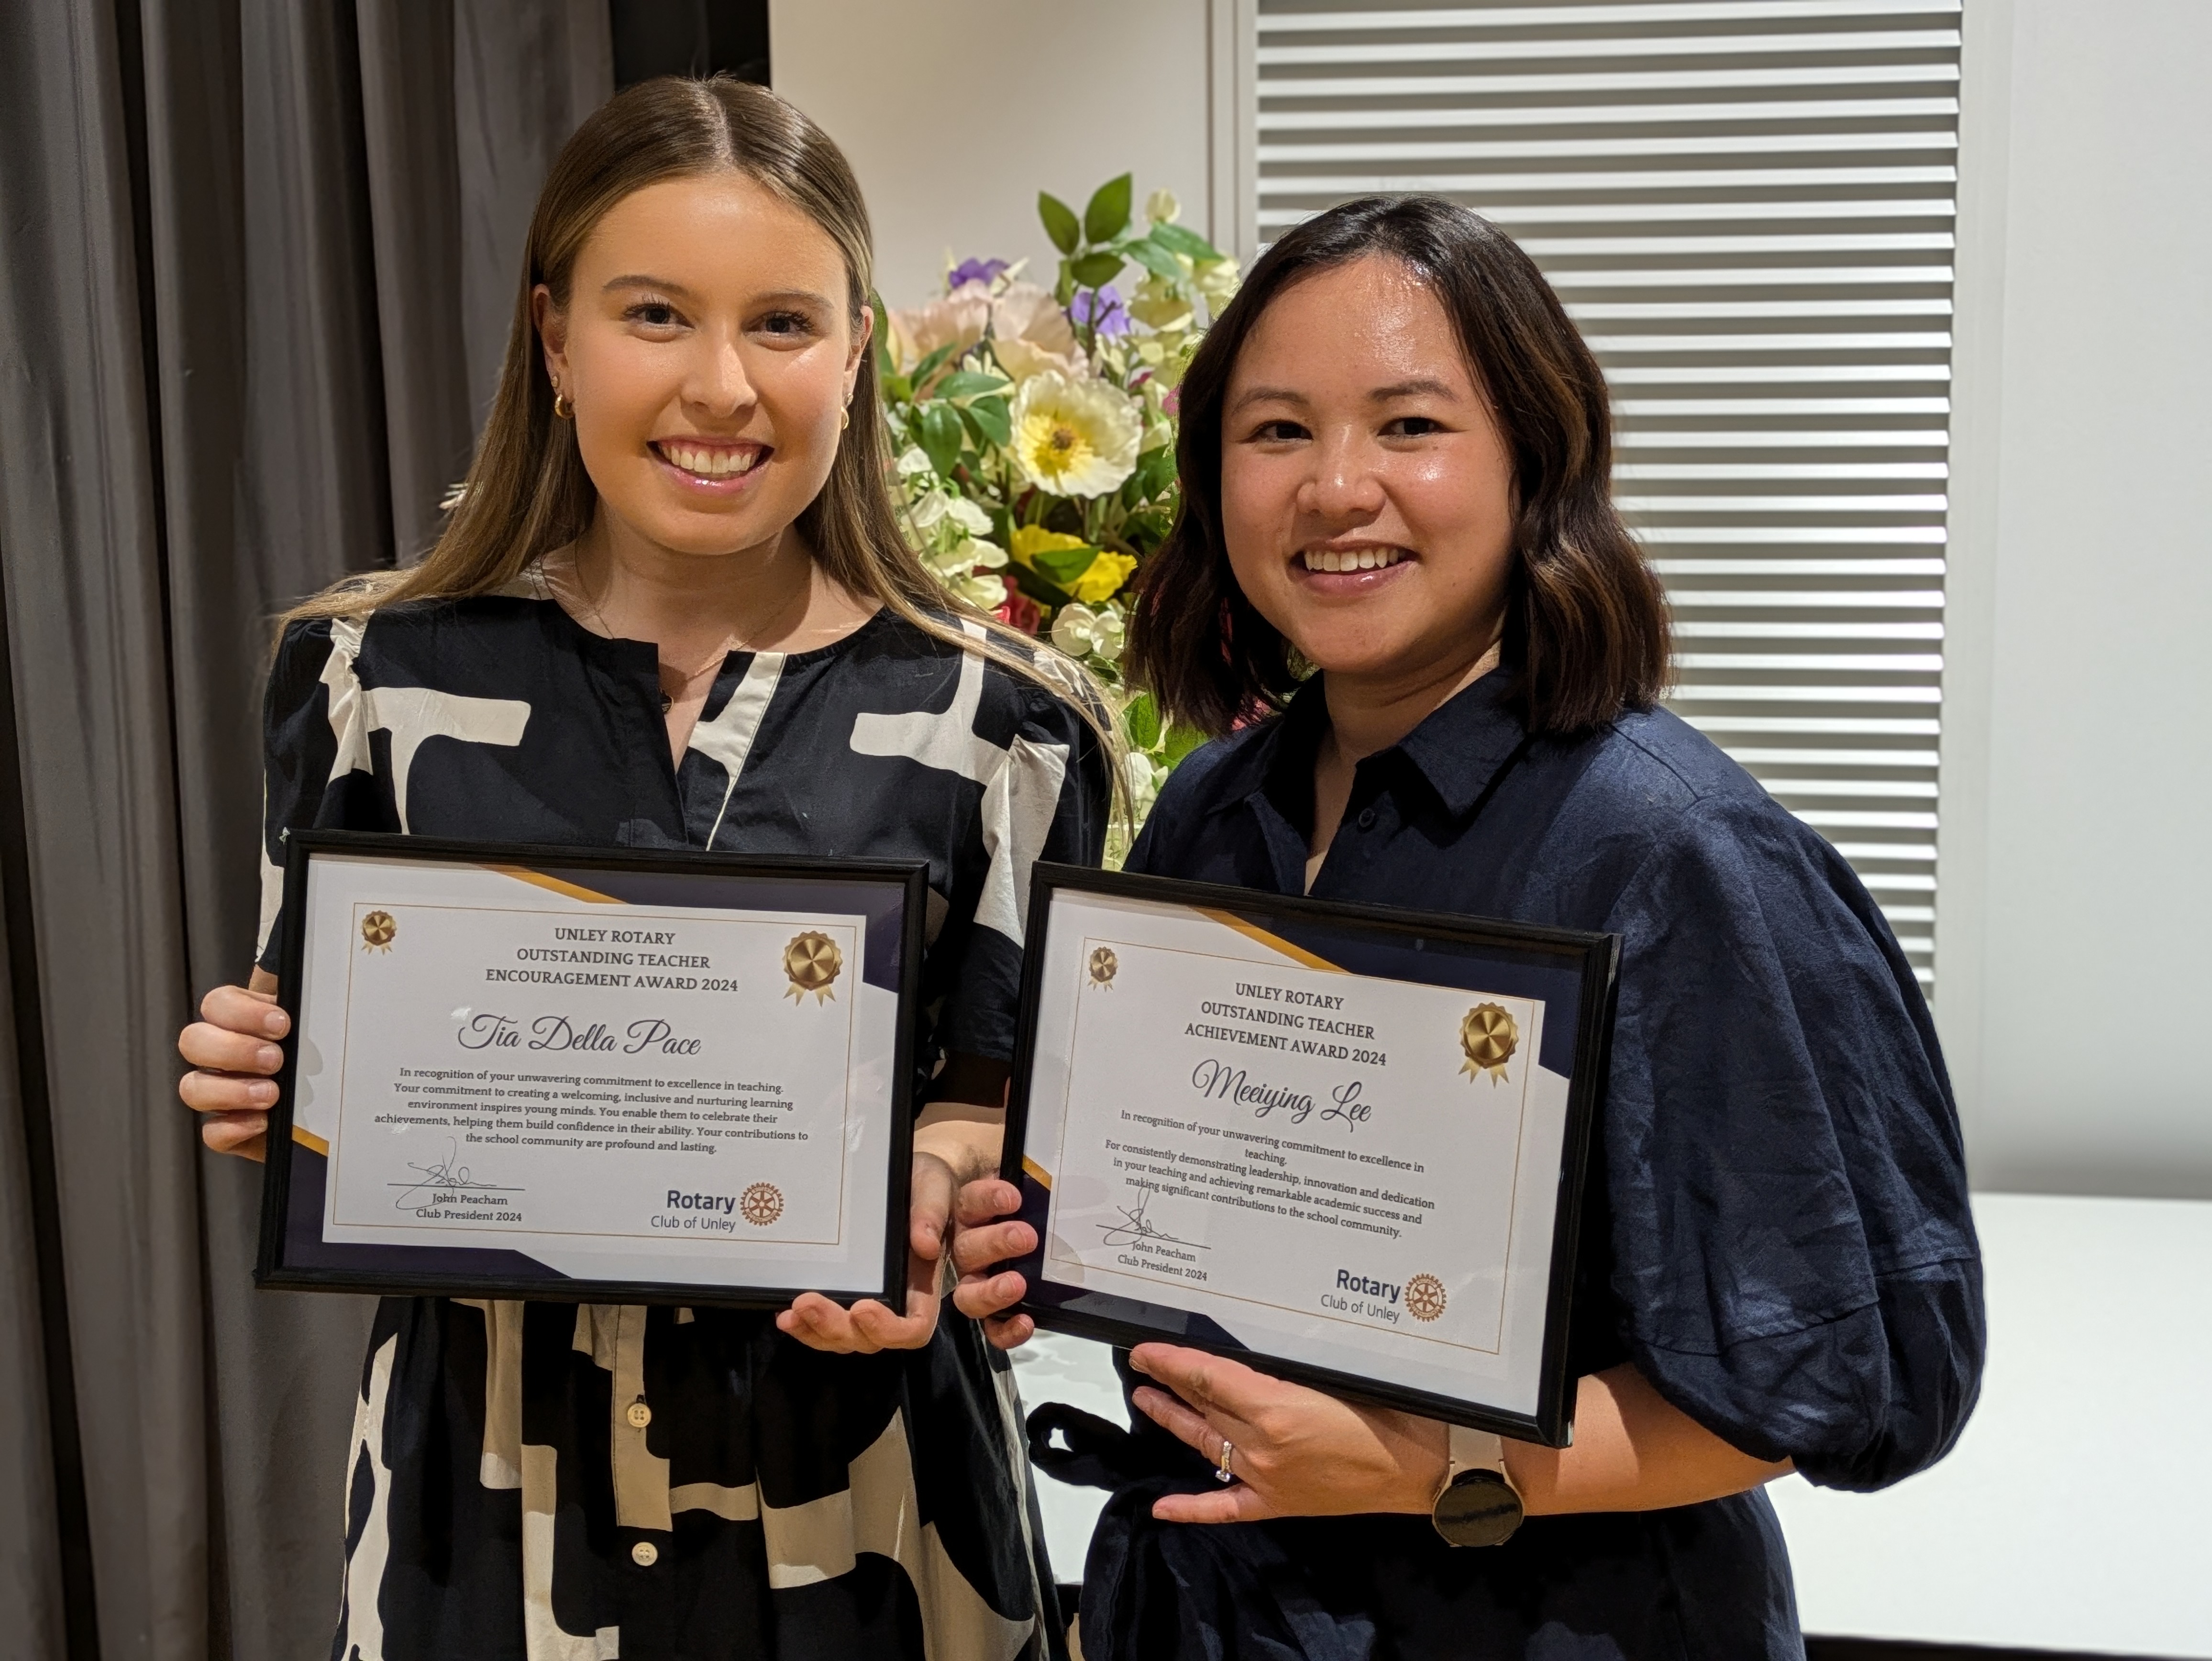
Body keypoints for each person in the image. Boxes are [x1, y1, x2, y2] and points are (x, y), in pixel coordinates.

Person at [176, 76, 1097, 1661]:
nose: (721, 386)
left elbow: (986, 1086)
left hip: (875, 1509)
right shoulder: (367, 675)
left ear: (860, 349)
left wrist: (937, 1203)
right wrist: (268, 1087)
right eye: (655, 314)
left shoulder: (1006, 718)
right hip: (485, 1521)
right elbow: (337, 1066)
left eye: (787, 325)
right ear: (553, 340)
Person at [1039, 196, 1983, 1659]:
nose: (1336, 487)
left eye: (1409, 426)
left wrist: (1434, 1470)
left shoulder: (1675, 852)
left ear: (1539, 460)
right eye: (1276, 431)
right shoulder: (1218, 810)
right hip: (1218, 1613)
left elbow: (1824, 1391)